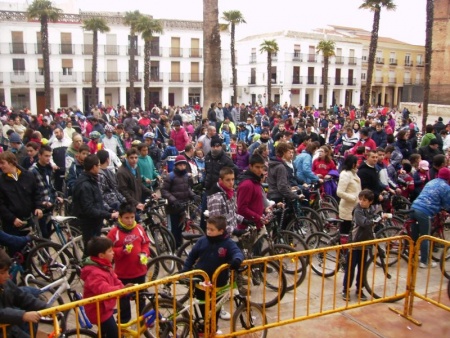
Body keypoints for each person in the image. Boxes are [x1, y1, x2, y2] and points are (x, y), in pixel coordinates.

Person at [181, 215, 244, 336]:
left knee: (215, 311)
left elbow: (237, 252)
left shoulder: (228, 243)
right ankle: (201, 331)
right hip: (200, 284)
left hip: (218, 285)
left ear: (221, 231)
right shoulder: (202, 241)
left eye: (212, 229)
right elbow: (191, 257)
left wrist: (237, 260)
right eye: (207, 229)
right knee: (201, 312)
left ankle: (212, 331)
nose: (208, 232)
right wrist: (185, 271)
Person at [106, 202, 150, 323]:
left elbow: (146, 243)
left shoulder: (139, 228)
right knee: (124, 304)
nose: (130, 221)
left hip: (140, 272)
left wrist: (145, 253)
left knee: (141, 300)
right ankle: (123, 324)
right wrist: (121, 250)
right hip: (122, 275)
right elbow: (107, 251)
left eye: (132, 217)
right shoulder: (114, 233)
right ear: (120, 217)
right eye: (126, 218)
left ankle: (143, 322)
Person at [342, 189, 389, 301]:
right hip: (354, 243)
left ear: (370, 202)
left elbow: (374, 221)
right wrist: (378, 219)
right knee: (350, 268)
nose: (361, 202)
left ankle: (360, 289)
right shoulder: (357, 210)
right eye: (360, 199)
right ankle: (346, 289)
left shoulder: (371, 210)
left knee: (362, 268)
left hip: (365, 243)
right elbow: (363, 223)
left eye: (364, 200)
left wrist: (380, 218)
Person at [72, 154, 119, 254]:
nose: (100, 167)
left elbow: (98, 201)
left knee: (93, 250)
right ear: (93, 167)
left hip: (96, 221)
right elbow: (89, 209)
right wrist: (109, 215)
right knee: (90, 251)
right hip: (89, 223)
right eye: (98, 165)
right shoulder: (85, 185)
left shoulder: (92, 179)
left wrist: (109, 210)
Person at [80, 237, 125, 338]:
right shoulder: (94, 272)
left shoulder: (105, 265)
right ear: (101, 255)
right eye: (110, 251)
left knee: (105, 332)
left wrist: (125, 289)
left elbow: (115, 279)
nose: (113, 252)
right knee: (115, 334)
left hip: (105, 307)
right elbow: (104, 290)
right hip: (98, 311)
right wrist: (122, 290)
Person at [0, 248, 47, 338]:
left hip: (9, 330)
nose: (7, 275)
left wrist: (44, 306)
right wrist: (23, 315)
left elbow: (21, 296)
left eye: (7, 271)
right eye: (2, 273)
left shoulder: (6, 283)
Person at [410, 168, 450, 268]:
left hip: (414, 207)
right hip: (424, 211)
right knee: (425, 237)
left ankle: (413, 256)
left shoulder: (432, 181)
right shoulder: (445, 187)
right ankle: (425, 261)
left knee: (414, 236)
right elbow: (447, 203)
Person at [161, 155, 196, 248]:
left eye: (184, 165)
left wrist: (193, 195)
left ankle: (179, 246)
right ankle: (171, 247)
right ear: (176, 165)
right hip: (172, 207)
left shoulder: (185, 176)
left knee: (180, 228)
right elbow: (164, 191)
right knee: (173, 228)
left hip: (182, 206)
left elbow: (187, 188)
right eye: (180, 165)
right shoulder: (170, 176)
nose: (182, 167)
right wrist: (173, 200)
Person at [117, 148, 153, 212]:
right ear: (127, 158)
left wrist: (151, 192)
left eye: (136, 158)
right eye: (131, 158)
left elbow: (139, 183)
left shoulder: (136, 168)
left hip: (137, 200)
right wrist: (135, 203)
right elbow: (123, 191)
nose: (134, 160)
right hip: (129, 205)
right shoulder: (121, 172)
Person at [336, 155, 361, 235]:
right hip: (347, 208)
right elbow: (340, 192)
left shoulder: (354, 174)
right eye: (357, 163)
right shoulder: (345, 174)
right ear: (353, 164)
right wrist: (353, 198)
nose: (358, 165)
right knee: (344, 231)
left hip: (354, 207)